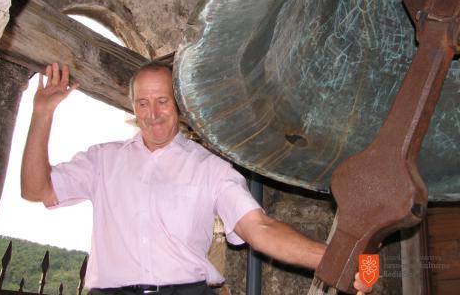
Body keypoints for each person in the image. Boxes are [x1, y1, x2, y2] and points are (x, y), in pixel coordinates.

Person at [21, 62, 371, 295]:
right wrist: (42, 114)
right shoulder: (101, 160)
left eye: (162, 101)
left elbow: (260, 230)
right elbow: (36, 190)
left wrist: (337, 258)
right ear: (133, 107)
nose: (153, 114)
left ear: (179, 105)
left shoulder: (211, 169)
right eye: (143, 104)